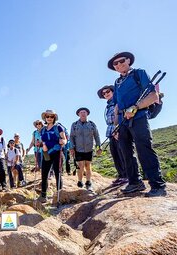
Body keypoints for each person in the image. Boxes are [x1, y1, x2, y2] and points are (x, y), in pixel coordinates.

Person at [108, 51, 167, 197]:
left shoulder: (138, 73)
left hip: (139, 117)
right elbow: (116, 106)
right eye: (115, 63)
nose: (119, 64)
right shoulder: (117, 82)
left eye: (121, 61)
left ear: (128, 60)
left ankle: (157, 185)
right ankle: (134, 182)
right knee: (126, 152)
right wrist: (116, 126)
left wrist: (136, 107)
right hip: (122, 121)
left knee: (144, 149)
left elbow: (153, 96)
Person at [97, 85, 130, 186]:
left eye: (108, 91)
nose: (106, 94)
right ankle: (121, 176)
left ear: (113, 91)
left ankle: (128, 176)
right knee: (115, 154)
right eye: (104, 93)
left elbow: (121, 115)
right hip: (111, 132)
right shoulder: (108, 106)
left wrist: (118, 129)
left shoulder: (117, 101)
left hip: (119, 130)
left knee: (122, 154)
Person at [38, 110, 67, 203]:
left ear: (54, 118)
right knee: (44, 173)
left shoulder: (58, 127)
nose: (49, 118)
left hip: (57, 152)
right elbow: (42, 141)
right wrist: (41, 144)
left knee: (57, 173)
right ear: (45, 118)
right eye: (47, 116)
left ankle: (60, 195)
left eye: (51, 116)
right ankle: (43, 195)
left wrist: (63, 142)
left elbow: (64, 139)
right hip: (46, 153)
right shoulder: (42, 129)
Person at [70, 107, 102, 191]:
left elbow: (96, 136)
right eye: (81, 112)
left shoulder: (92, 124)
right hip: (78, 149)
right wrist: (71, 147)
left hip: (89, 148)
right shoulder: (75, 124)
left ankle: (88, 182)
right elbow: (72, 137)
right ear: (78, 114)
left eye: (84, 112)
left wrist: (99, 146)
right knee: (80, 165)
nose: (83, 114)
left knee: (88, 165)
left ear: (87, 114)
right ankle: (80, 182)